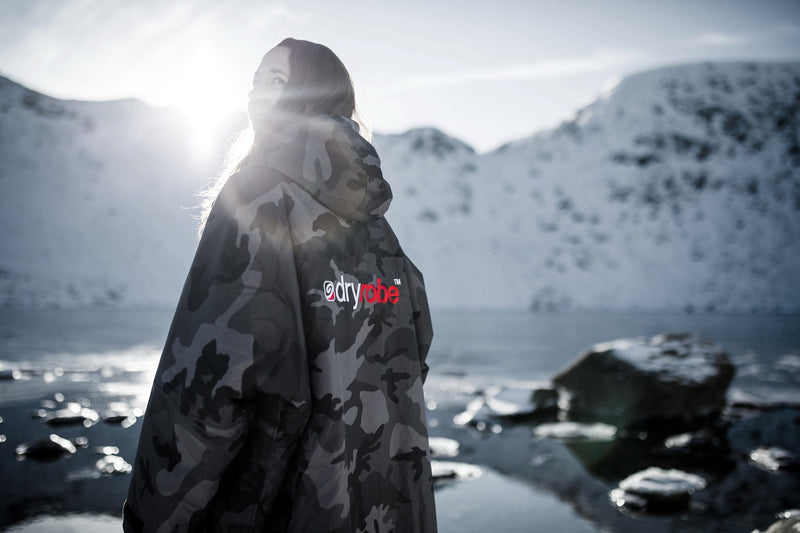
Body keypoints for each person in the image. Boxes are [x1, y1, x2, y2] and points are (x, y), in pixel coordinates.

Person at [123, 38, 437, 532]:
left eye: (274, 81)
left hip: (282, 506)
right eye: (254, 80)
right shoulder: (380, 233)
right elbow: (412, 348)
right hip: (379, 504)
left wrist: (153, 515)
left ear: (310, 92)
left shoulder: (258, 195)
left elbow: (210, 378)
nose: (253, 94)